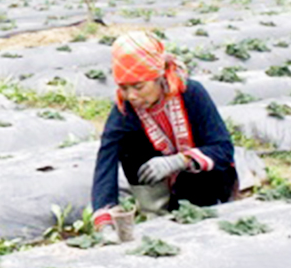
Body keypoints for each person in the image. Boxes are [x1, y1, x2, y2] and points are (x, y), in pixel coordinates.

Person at [91, 30, 237, 241]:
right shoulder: (126, 110)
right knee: (128, 144)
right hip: (161, 183)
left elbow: (223, 149)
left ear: (158, 77)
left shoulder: (191, 93)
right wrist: (104, 216)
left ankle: (196, 213)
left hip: (204, 181)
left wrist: (180, 160)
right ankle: (156, 213)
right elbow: (106, 159)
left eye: (139, 86)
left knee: (198, 189)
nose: (131, 96)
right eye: (124, 88)